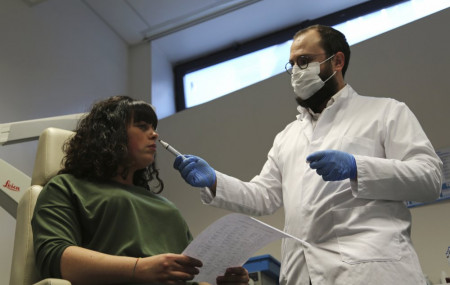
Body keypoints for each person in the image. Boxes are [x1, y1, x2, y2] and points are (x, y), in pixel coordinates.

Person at [173, 25, 443, 285]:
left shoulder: (386, 112)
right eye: (292, 65)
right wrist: (214, 181)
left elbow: (429, 178)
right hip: (302, 274)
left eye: (304, 61)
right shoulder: (287, 136)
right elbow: (264, 196)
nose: (296, 71)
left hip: (371, 271)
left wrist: (357, 167)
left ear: (337, 61)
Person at [31, 96, 249, 285]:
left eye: (154, 128)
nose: (154, 135)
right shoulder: (67, 188)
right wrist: (138, 268)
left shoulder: (167, 209)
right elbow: (54, 258)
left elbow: (190, 278)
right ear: (110, 135)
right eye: (143, 126)